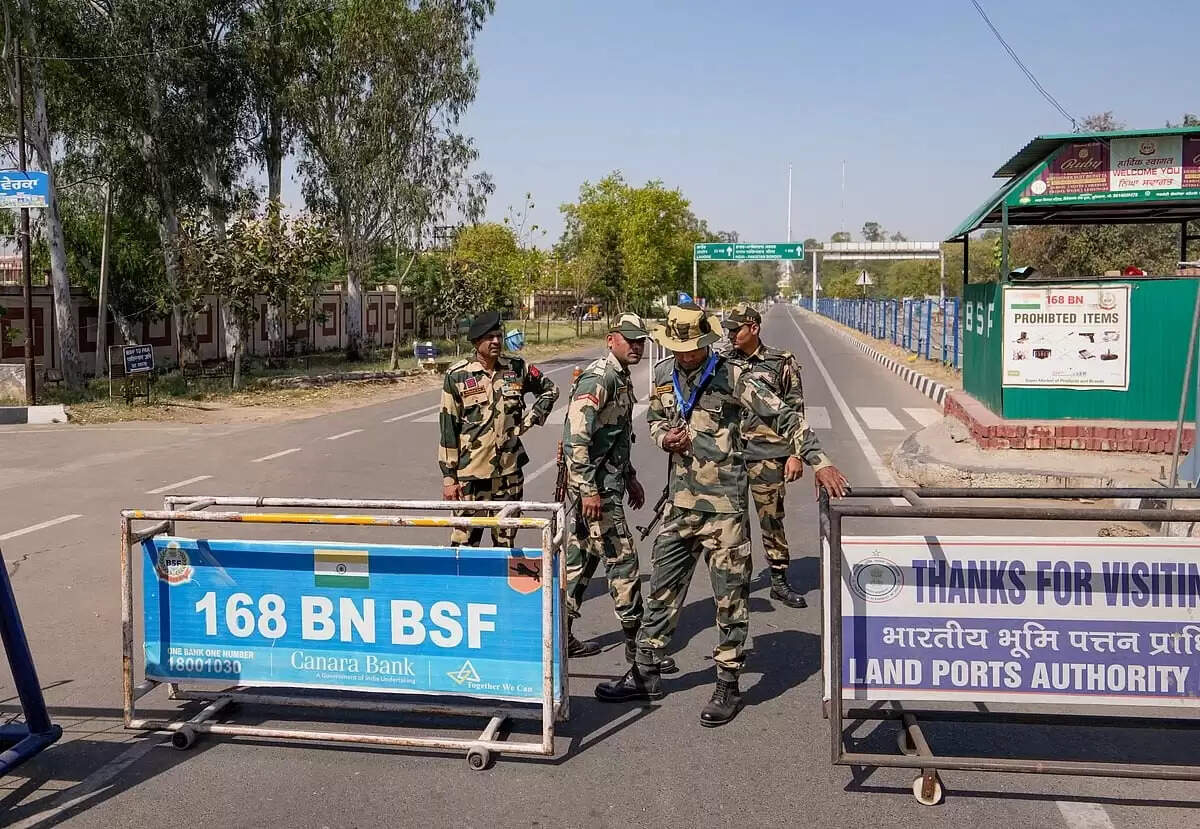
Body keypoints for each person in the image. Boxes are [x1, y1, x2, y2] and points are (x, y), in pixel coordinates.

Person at [594, 302, 849, 727]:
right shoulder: (663, 374)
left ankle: (728, 683)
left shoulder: (732, 376)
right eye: (678, 348)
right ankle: (645, 673)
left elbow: (784, 415)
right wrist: (664, 439)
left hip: (724, 510)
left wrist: (818, 461)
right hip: (679, 506)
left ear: (706, 342)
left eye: (693, 348)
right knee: (661, 591)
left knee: (730, 599)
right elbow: (655, 419)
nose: (686, 355)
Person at [561, 313, 677, 672]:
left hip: (604, 484)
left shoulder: (620, 376)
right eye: (630, 340)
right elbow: (576, 439)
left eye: (640, 341)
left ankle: (559, 634)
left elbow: (615, 435)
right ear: (611, 339)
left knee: (581, 559)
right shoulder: (600, 378)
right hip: (596, 490)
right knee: (623, 562)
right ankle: (637, 646)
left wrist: (630, 476)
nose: (637, 347)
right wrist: (589, 491)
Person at [438, 310, 559, 547]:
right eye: (489, 337)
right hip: (470, 476)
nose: (495, 341)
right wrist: (449, 478)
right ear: (476, 342)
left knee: (505, 544)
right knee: (464, 545)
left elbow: (550, 390)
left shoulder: (517, 368)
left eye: (498, 336)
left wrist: (530, 419)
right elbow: (448, 428)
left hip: (508, 474)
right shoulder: (457, 376)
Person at [722, 302, 810, 608]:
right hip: (731, 456)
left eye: (736, 330)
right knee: (733, 522)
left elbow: (795, 409)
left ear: (754, 328)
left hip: (768, 455)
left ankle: (778, 580)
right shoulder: (723, 362)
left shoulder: (780, 361)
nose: (731, 335)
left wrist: (795, 454)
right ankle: (739, 583)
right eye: (728, 330)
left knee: (771, 519)